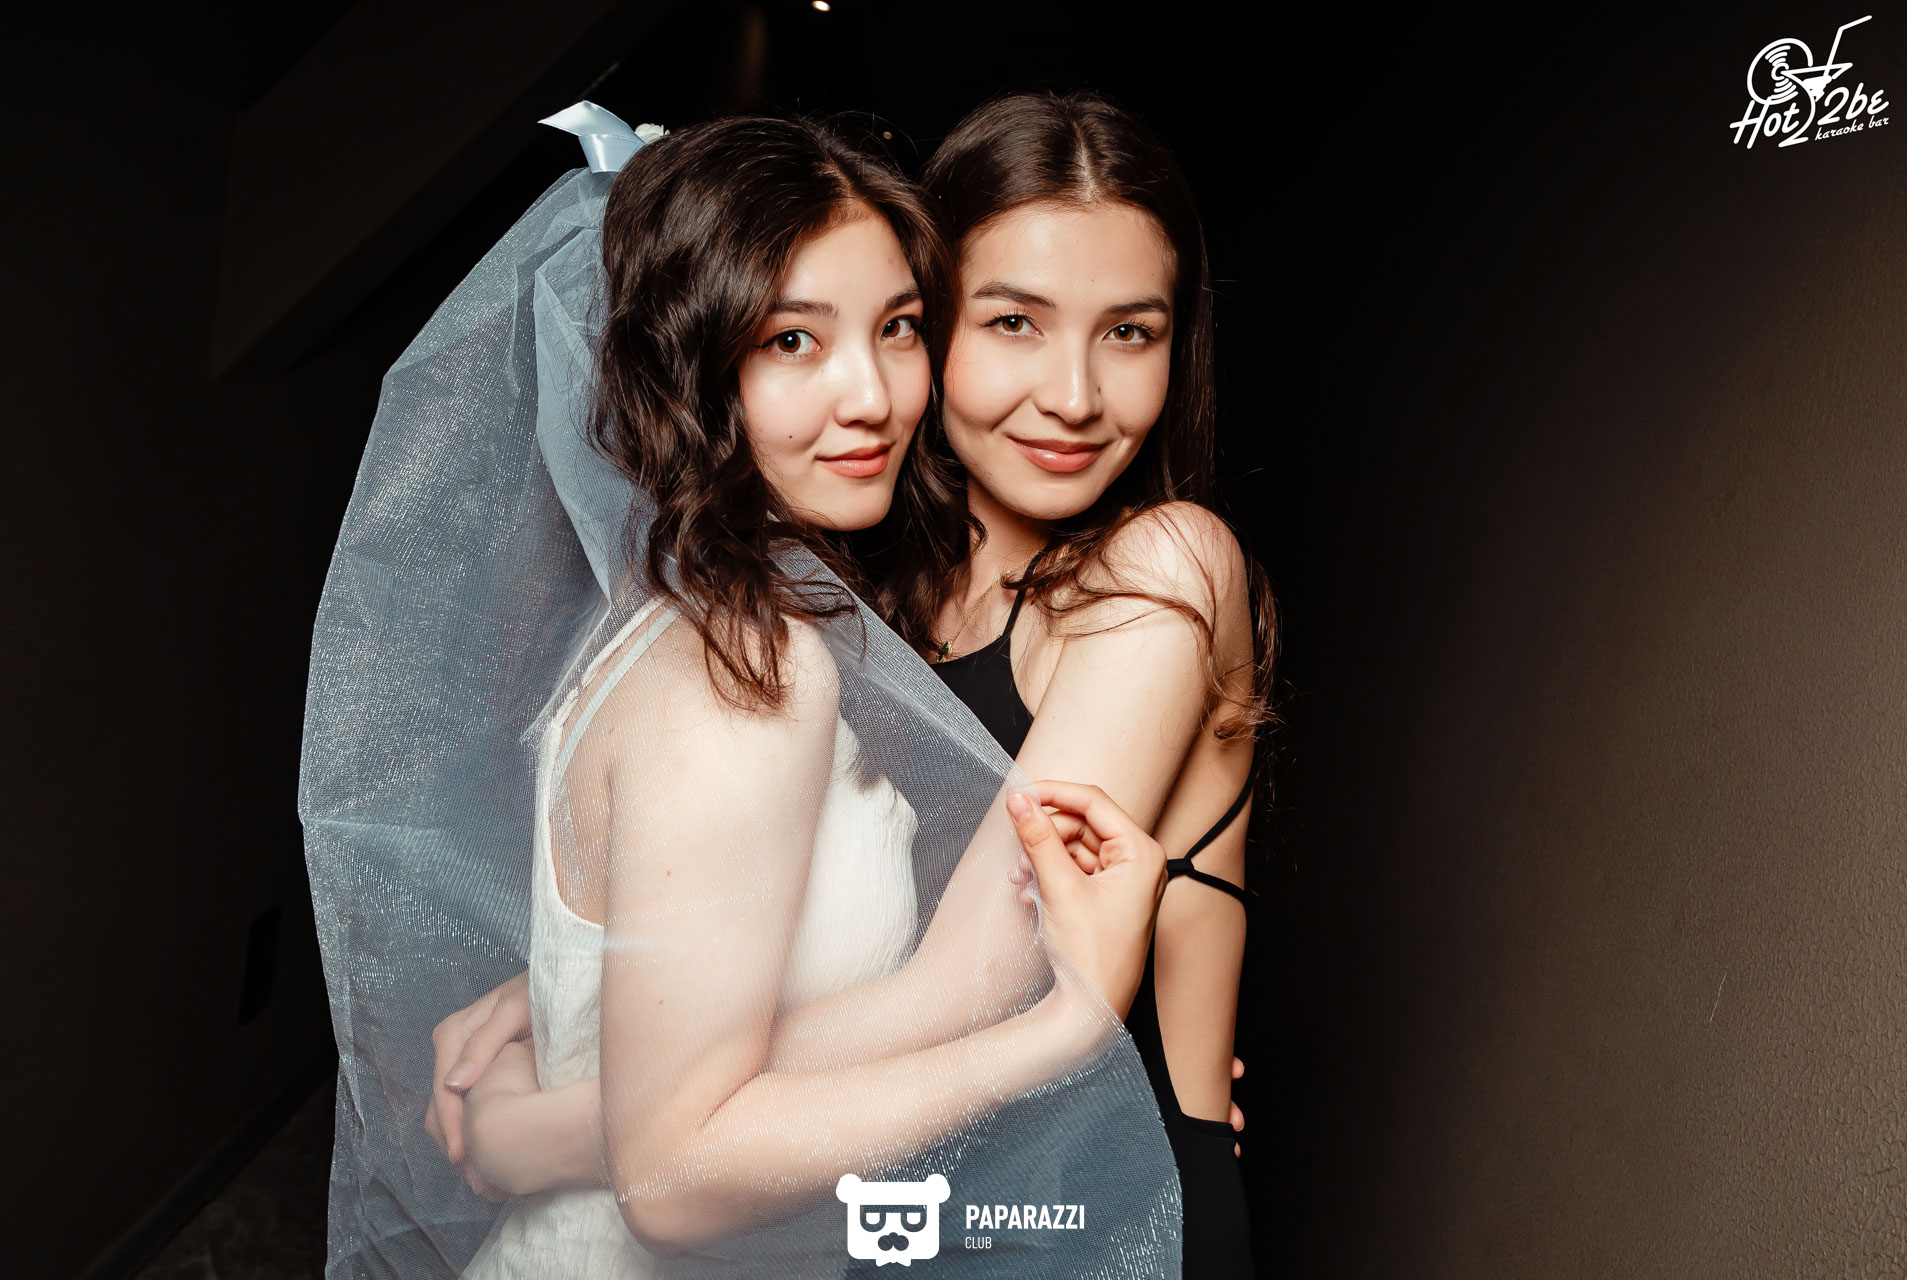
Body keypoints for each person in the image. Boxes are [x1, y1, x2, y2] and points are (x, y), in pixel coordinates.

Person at [303, 106, 1182, 1280]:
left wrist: (562, 1048)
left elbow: (692, 964)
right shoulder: (752, 673)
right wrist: (1062, 1031)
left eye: (898, 327)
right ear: (693, 365)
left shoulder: (688, 617)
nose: (872, 394)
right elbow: (673, 1179)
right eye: (793, 340)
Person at [874, 90, 1276, 1277]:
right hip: (874, 1199)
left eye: (1129, 332)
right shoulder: (863, 600)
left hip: (1099, 1224)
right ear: (922, 321)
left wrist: (630, 1078)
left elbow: (974, 982)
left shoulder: (1168, 566)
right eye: (1014, 321)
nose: (1075, 395)